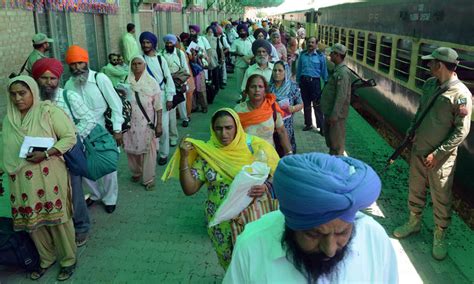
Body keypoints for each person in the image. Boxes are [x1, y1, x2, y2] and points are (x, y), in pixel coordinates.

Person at [224, 153, 398, 283]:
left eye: (342, 232)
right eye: (314, 235)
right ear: (290, 224)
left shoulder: (375, 238)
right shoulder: (252, 245)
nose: (330, 249)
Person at [162, 108, 280, 269]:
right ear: (212, 128)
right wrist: (184, 159)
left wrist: (266, 186)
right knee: (231, 267)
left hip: (253, 218)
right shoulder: (208, 153)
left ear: (237, 127)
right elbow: (190, 189)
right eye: (218, 128)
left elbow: (278, 172)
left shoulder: (255, 146)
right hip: (221, 223)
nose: (223, 133)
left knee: (255, 264)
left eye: (228, 128)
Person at [393, 47, 472, 260]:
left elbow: (461, 131)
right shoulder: (429, 85)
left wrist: (438, 153)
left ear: (440, 65)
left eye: (431, 62)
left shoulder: (461, 95)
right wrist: (411, 133)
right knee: (415, 187)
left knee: (441, 196)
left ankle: (440, 235)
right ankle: (414, 221)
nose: (428, 66)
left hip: (441, 159)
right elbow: (420, 112)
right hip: (419, 149)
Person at [2, 76, 78, 281]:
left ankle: (68, 259)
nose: (18, 98)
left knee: (58, 220)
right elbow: (5, 149)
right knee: (33, 222)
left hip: (49, 176)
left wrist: (46, 154)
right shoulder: (9, 119)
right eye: (13, 94)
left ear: (33, 92)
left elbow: (70, 137)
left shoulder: (47, 112)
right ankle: (46, 258)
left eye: (22, 93)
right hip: (21, 181)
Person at [31, 58, 96, 247]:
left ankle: (81, 228)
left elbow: (89, 120)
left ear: (58, 79)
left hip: (67, 155)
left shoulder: (69, 96)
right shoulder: (33, 100)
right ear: (37, 79)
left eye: (52, 78)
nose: (49, 82)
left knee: (74, 193)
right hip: (42, 158)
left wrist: (71, 138)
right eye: (44, 78)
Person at [64, 45, 124, 214]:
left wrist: (117, 130)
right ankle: (96, 195)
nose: (77, 68)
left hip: (102, 131)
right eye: (73, 64)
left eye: (80, 63)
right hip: (80, 133)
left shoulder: (100, 78)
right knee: (84, 166)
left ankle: (110, 198)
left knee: (108, 166)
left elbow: (116, 104)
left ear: (86, 62)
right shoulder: (69, 84)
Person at [123, 56, 163, 190]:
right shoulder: (126, 81)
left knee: (148, 151)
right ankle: (136, 172)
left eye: (139, 63)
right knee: (132, 149)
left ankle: (149, 178)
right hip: (130, 123)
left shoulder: (152, 83)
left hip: (147, 123)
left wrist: (159, 124)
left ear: (144, 65)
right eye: (133, 64)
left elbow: (158, 106)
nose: (136, 66)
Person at [139, 31, 178, 166]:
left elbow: (168, 79)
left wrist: (170, 98)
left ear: (153, 44)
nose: (145, 45)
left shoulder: (161, 59)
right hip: (144, 99)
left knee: (163, 128)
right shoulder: (139, 60)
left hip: (161, 97)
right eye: (143, 42)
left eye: (148, 42)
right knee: (147, 127)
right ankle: (150, 153)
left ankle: (163, 153)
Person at [235, 74, 292, 155]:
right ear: (247, 90)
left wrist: (289, 153)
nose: (257, 90)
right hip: (245, 157)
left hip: (269, 157)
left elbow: (282, 131)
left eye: (260, 87)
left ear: (265, 91)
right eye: (253, 87)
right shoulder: (238, 110)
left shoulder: (272, 107)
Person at [321, 43, 352, 156]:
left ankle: (337, 164)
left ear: (338, 55)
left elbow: (341, 96)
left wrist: (334, 114)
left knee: (337, 144)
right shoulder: (337, 70)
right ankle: (332, 160)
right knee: (331, 142)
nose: (330, 55)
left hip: (336, 116)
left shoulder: (342, 73)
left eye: (332, 53)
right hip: (330, 113)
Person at [269, 61, 303, 153]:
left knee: (286, 150)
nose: (277, 73)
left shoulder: (292, 87)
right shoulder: (269, 87)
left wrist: (293, 108)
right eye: (275, 70)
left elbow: (300, 104)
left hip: (286, 126)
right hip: (270, 126)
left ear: (286, 72)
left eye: (280, 70)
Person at [296, 37, 328, 134]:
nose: (310, 44)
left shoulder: (320, 56)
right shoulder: (302, 55)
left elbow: (324, 70)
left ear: (316, 44)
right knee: (306, 104)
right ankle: (308, 124)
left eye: (312, 42)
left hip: (315, 83)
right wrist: (298, 82)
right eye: (309, 42)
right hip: (304, 82)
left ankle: (321, 127)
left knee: (317, 105)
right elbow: (299, 69)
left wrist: (326, 81)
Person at [161, 34, 191, 127]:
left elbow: (185, 68)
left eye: (170, 43)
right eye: (167, 43)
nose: (169, 45)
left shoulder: (179, 53)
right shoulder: (161, 54)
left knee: (182, 101)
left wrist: (184, 83)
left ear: (174, 43)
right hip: (167, 80)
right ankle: (170, 123)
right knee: (170, 100)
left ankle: (185, 118)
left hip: (179, 80)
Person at [230, 24, 253, 97]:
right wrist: (238, 53)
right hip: (239, 65)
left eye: (244, 31)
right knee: (240, 82)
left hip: (249, 65)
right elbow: (231, 52)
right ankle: (241, 97)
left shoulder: (251, 41)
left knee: (249, 82)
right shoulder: (236, 41)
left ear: (246, 31)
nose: (242, 32)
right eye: (240, 31)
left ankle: (248, 97)